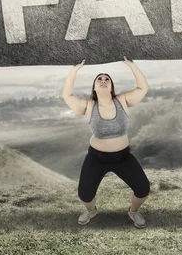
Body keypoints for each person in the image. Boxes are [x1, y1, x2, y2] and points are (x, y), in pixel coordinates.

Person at [62, 56, 151, 228]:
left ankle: (133, 212)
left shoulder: (123, 101)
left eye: (107, 79)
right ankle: (91, 210)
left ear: (111, 86)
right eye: (99, 79)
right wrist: (74, 69)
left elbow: (142, 87)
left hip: (122, 157)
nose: (103, 80)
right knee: (85, 195)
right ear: (94, 86)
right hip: (97, 158)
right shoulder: (88, 106)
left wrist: (131, 65)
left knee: (143, 189)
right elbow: (67, 94)